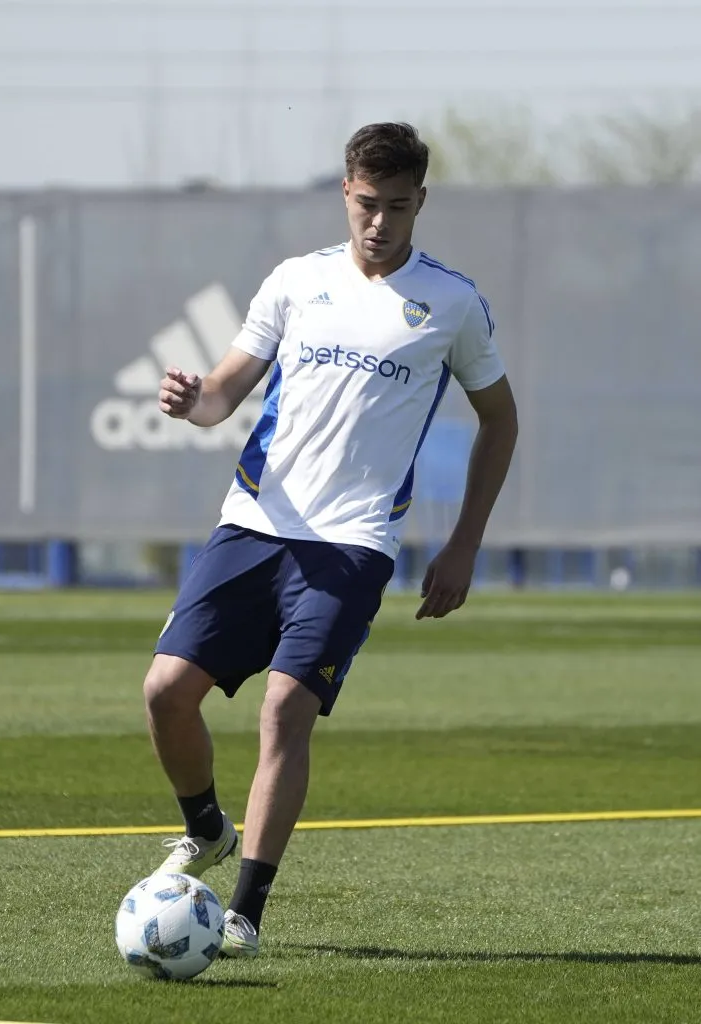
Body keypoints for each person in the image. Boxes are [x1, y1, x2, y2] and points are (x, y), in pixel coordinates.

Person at [144, 122, 518, 959]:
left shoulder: (450, 303)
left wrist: (462, 544)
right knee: (166, 690)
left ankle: (244, 910)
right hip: (252, 523)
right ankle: (204, 826)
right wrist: (189, 399)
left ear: (419, 201)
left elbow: (499, 419)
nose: (378, 222)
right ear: (344, 195)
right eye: (364, 204)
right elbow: (222, 395)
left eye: (395, 206)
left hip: (352, 545)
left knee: (286, 708)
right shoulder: (294, 281)